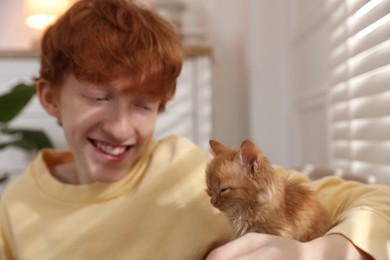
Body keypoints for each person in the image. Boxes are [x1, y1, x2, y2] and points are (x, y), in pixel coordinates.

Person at [0, 0, 389, 259]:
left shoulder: (189, 168)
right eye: (99, 97)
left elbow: (380, 202)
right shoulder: (13, 210)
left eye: (143, 104)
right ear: (50, 98)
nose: (120, 129)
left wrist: (322, 250)